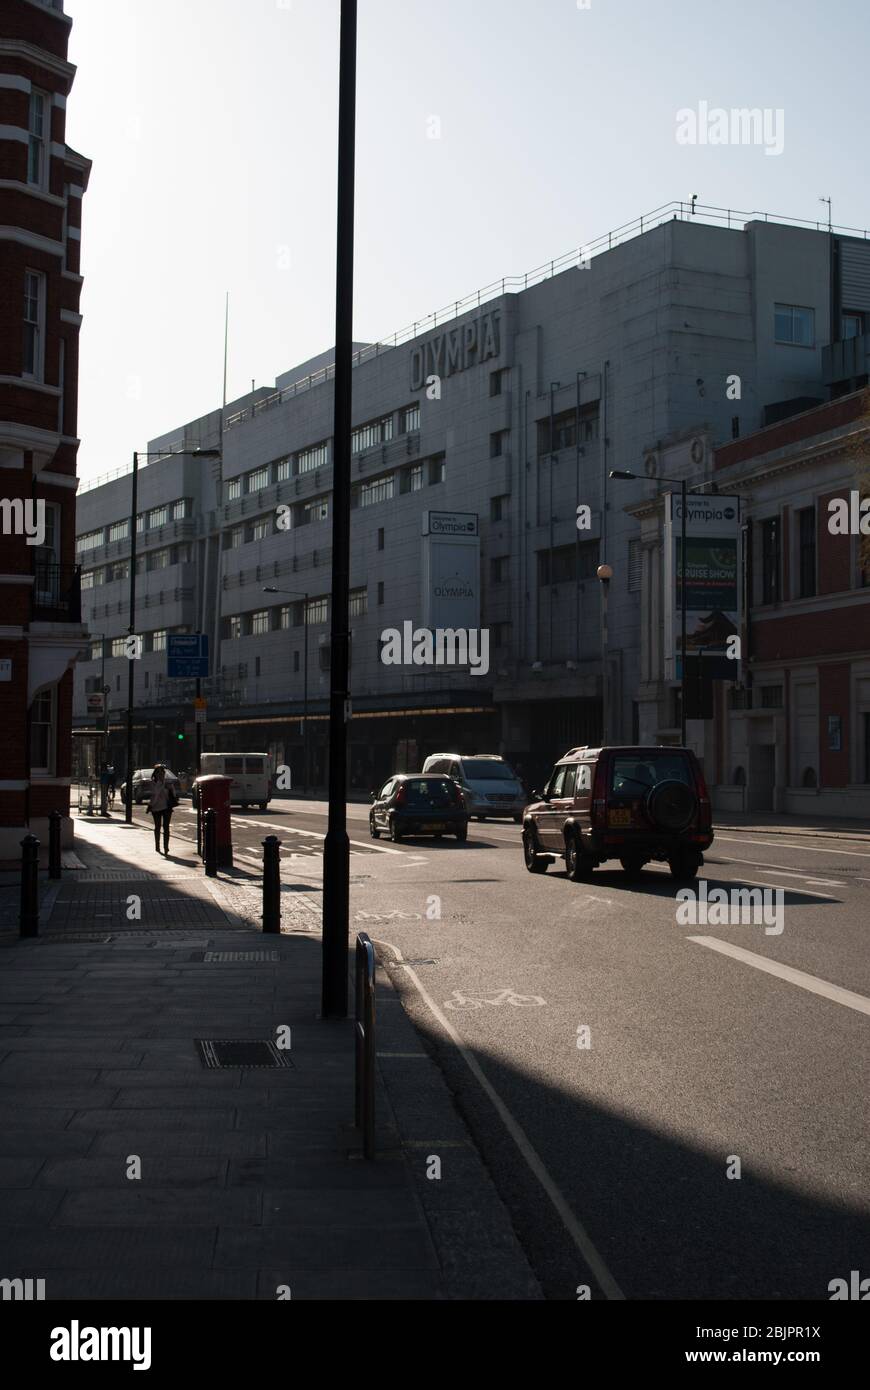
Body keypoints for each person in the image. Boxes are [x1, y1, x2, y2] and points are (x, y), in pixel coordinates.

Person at [148, 765, 178, 855]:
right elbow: (155, 795)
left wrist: (171, 789)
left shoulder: (168, 783)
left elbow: (174, 796)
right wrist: (161, 785)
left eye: (162, 772)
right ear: (155, 774)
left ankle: (166, 847)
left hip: (166, 808)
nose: (161, 774)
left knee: (166, 827)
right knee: (157, 827)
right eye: (159, 772)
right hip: (156, 807)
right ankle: (157, 845)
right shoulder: (153, 783)